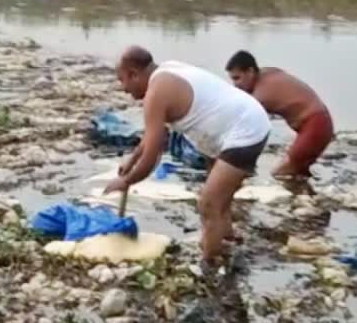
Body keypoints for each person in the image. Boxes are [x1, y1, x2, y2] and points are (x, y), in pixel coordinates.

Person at [103, 46, 271, 263]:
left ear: (134, 74)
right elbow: (153, 136)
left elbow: (154, 155)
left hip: (244, 129)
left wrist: (127, 181)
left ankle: (210, 264)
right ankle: (227, 237)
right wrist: (132, 160)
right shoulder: (164, 74)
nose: (123, 88)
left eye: (122, 80)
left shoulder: (156, 93)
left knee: (208, 204)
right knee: (221, 197)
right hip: (234, 125)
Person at [225, 50, 334, 178]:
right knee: (298, 172)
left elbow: (239, 123)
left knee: (280, 174)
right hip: (320, 121)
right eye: (232, 79)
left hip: (315, 126)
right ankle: (308, 194)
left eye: (237, 78)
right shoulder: (267, 73)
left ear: (250, 71)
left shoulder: (262, 94)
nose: (235, 85)